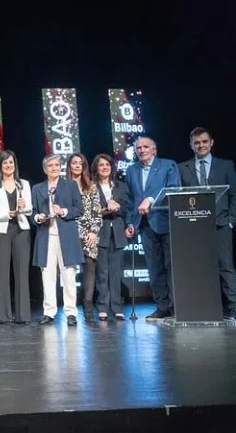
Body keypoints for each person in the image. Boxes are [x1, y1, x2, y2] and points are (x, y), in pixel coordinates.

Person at [178, 127, 236, 321]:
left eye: (204, 141)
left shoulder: (225, 165)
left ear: (211, 142)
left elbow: (234, 194)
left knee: (225, 267)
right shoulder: (182, 168)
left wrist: (231, 221)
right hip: (194, 227)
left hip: (221, 224)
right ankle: (200, 307)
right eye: (196, 142)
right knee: (197, 268)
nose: (200, 145)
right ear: (191, 145)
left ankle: (233, 307)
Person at [125, 137, 181, 321]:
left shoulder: (168, 165)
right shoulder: (131, 170)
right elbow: (130, 200)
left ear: (154, 150)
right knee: (154, 269)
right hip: (145, 225)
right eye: (138, 148)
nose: (142, 150)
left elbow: (174, 189)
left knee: (172, 267)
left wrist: (150, 199)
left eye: (145, 147)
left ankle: (177, 307)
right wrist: (130, 223)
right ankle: (162, 307)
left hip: (167, 222)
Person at [32, 154, 84, 326]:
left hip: (66, 236)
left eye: (56, 165)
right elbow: (33, 212)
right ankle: (49, 312)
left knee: (68, 275)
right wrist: (38, 217)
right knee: (47, 276)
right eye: (50, 166)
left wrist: (63, 211)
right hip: (46, 236)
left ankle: (71, 312)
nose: (54, 168)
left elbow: (79, 209)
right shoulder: (38, 188)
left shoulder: (70, 185)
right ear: (44, 169)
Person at [0, 150, 32, 324]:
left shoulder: (24, 184)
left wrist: (23, 206)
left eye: (11, 162)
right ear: (0, 166)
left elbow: (29, 209)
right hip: (0, 230)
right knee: (2, 273)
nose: (8, 165)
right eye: (5, 163)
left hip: (21, 229)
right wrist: (6, 214)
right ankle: (4, 315)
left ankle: (23, 315)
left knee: (22, 273)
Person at [92, 154, 129, 321]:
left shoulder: (121, 186)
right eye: (101, 165)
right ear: (96, 168)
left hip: (118, 232)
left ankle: (117, 307)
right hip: (100, 231)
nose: (104, 167)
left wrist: (118, 207)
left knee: (116, 272)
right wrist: (107, 208)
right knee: (102, 272)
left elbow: (128, 207)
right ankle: (102, 307)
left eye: (107, 164)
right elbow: (89, 211)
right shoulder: (91, 187)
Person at [66, 152, 102, 321]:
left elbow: (97, 212)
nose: (77, 165)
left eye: (80, 163)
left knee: (89, 267)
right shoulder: (63, 186)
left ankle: (88, 306)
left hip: (89, 233)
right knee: (70, 270)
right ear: (69, 166)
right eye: (74, 163)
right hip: (70, 231)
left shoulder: (92, 187)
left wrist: (93, 232)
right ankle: (71, 308)